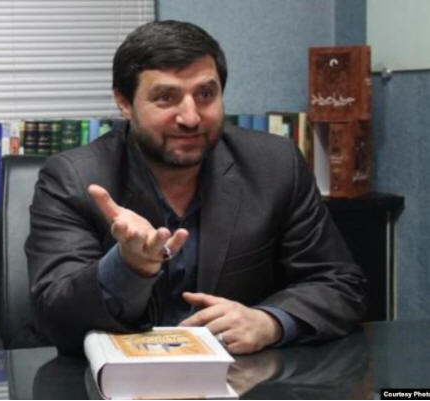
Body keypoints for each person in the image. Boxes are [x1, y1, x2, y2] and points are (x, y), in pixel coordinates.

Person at [25, 20, 366, 355]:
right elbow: (54, 315)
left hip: (242, 375)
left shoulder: (274, 166)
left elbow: (339, 284)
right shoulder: (75, 178)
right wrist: (129, 267)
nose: (190, 117)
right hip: (118, 378)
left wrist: (270, 322)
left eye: (205, 94)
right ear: (125, 103)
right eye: (165, 98)